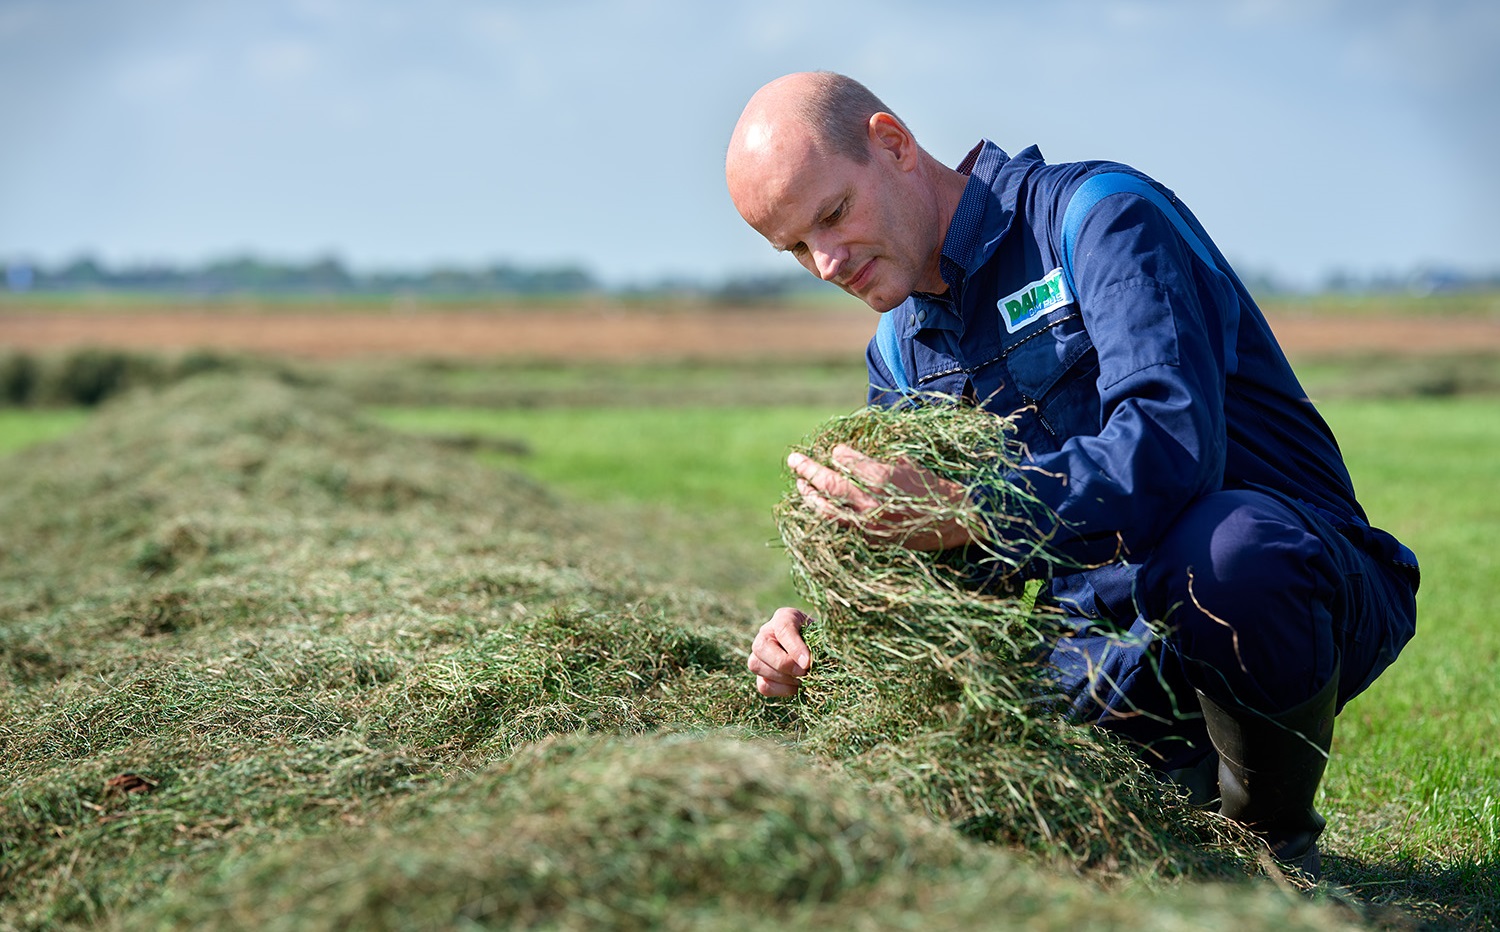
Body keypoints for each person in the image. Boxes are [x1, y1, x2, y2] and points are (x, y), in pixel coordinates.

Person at [727, 71, 1419, 879]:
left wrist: (978, 509)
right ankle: (1175, 794)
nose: (828, 262)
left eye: (833, 215)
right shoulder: (896, 352)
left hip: (1285, 590)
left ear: (894, 144)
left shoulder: (1099, 219)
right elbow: (936, 566)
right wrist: (823, 628)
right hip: (1112, 654)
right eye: (797, 249)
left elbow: (1170, 447)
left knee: (1227, 551)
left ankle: (1274, 852)